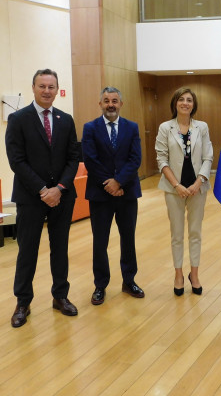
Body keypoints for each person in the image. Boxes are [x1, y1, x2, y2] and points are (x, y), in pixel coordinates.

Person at [5, 68, 80, 328]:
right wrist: (42, 190)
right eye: (42, 86)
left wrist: (58, 188)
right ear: (33, 88)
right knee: (28, 251)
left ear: (57, 89)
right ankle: (22, 302)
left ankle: (60, 296)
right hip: (31, 197)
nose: (47, 91)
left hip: (62, 196)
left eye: (51, 87)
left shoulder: (66, 119)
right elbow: (17, 160)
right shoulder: (18, 119)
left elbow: (73, 158)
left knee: (60, 249)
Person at [82, 87, 144, 305]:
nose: (111, 104)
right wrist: (109, 184)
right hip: (100, 195)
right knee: (100, 242)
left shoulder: (131, 127)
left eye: (115, 101)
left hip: (126, 193)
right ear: (100, 104)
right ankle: (100, 285)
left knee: (128, 239)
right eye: (106, 100)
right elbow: (90, 160)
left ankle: (129, 281)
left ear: (121, 104)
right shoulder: (90, 128)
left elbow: (135, 159)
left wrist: (119, 182)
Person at [155, 88, 213, 296]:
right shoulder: (165, 127)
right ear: (175, 103)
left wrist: (198, 182)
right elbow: (161, 159)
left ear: (193, 105)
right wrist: (176, 185)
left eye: (189, 100)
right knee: (177, 234)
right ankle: (178, 274)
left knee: (195, 233)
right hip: (174, 190)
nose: (185, 103)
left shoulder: (202, 127)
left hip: (198, 188)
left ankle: (194, 274)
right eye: (181, 99)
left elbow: (208, 157)